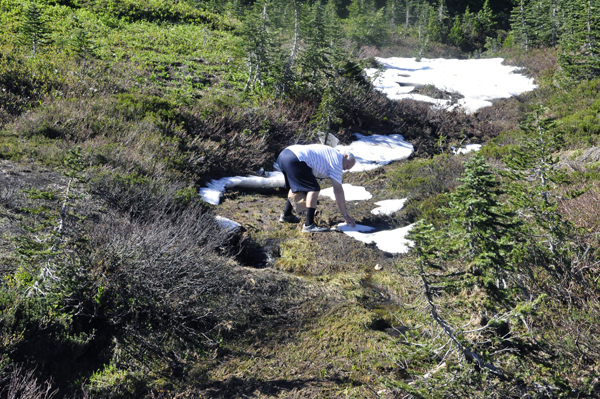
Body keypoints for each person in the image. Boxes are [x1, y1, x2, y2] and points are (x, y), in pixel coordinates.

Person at [277, 144, 357, 233]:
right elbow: (338, 192)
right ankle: (309, 225)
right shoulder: (337, 162)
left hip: (284, 155)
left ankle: (286, 215)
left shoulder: (332, 153)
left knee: (297, 186)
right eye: (347, 165)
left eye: (348, 168)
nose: (345, 169)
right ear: (345, 156)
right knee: (314, 189)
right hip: (296, 159)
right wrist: (346, 215)